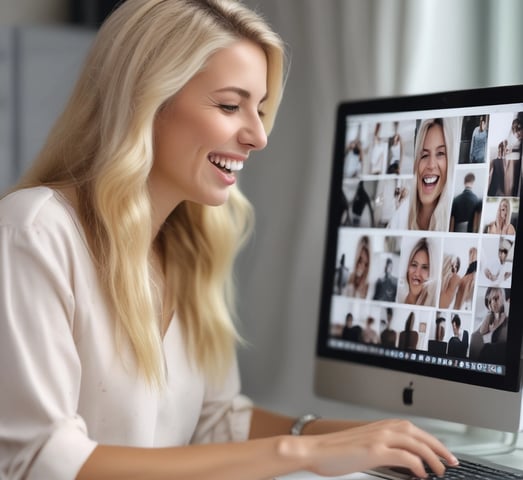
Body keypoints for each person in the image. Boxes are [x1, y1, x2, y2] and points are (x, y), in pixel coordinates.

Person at [0, 1, 458, 479]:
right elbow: (41, 460)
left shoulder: (187, 247)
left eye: (259, 109)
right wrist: (301, 456)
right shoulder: (34, 232)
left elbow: (215, 421)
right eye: (229, 105)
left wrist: (350, 437)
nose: (259, 136)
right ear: (146, 101)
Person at [388, 118, 455, 231]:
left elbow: (401, 154)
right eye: (424, 155)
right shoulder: (401, 216)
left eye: (440, 153)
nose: (431, 165)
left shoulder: (452, 219)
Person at [469, 288, 508, 363]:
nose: (493, 303)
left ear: (503, 299)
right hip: (488, 354)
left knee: (487, 348)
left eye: (496, 298)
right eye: (490, 301)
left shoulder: (505, 317)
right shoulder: (490, 317)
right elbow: (481, 332)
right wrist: (490, 312)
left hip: (497, 354)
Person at [401, 237, 436, 306]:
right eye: (414, 265)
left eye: (424, 267)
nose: (417, 273)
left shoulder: (432, 305)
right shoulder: (398, 299)